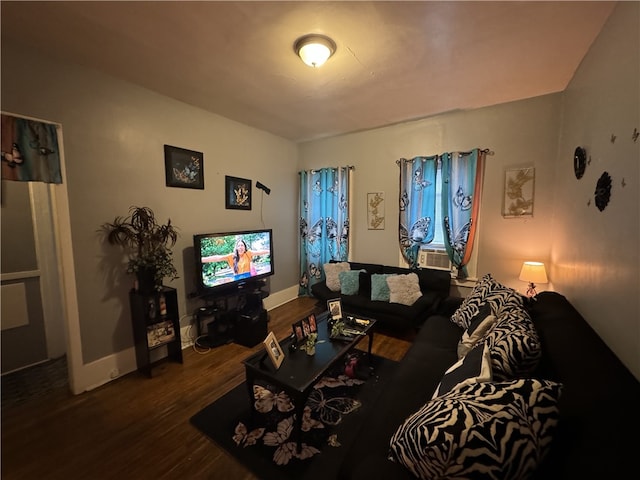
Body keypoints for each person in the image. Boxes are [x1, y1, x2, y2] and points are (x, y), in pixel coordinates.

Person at [202, 238, 268, 277]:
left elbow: (260, 252)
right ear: (236, 248)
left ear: (245, 247)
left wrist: (270, 250)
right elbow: (218, 258)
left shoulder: (248, 253)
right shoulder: (231, 256)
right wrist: (202, 259)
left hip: (249, 279)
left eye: (242, 245)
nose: (240, 247)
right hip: (237, 281)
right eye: (239, 246)